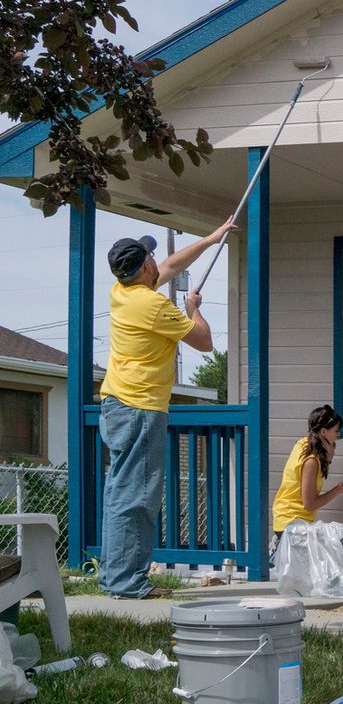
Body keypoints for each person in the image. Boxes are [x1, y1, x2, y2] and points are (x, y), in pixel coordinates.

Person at [97, 224, 232, 599]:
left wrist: (210, 238)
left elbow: (171, 265)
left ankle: (114, 577)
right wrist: (192, 310)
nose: (157, 260)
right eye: (150, 257)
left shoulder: (122, 291)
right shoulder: (152, 306)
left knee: (119, 495)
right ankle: (128, 584)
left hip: (117, 406)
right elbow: (204, 343)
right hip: (140, 410)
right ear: (143, 269)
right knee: (137, 498)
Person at [271, 405, 343, 538]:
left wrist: (328, 457)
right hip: (292, 525)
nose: (338, 435)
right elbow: (309, 504)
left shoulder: (303, 444)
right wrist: (339, 489)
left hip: (289, 520)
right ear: (323, 432)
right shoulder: (311, 461)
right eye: (336, 431)